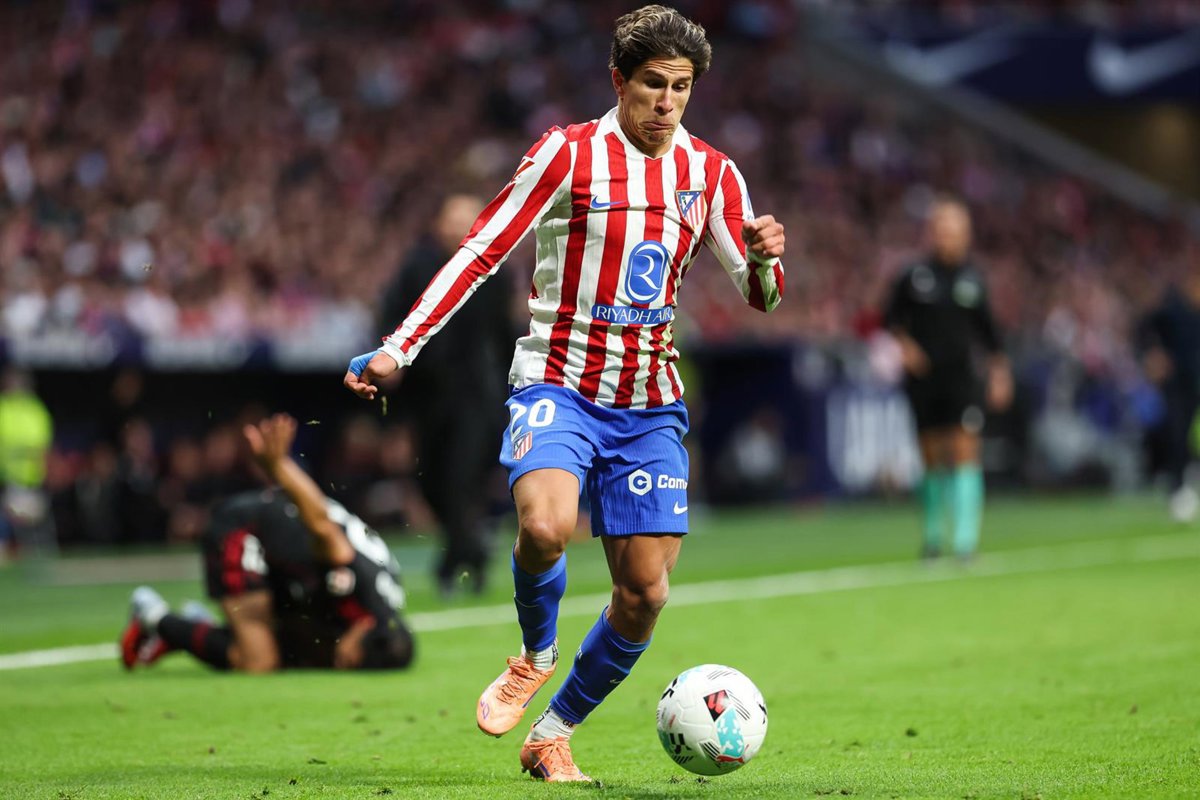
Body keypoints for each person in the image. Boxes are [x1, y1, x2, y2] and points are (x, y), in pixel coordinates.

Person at [344, 5, 785, 782]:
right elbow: (481, 251)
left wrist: (765, 259)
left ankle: (553, 733)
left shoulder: (713, 174)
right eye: (653, 84)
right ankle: (535, 653)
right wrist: (399, 346)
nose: (667, 102)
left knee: (643, 594)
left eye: (681, 87)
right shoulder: (567, 154)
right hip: (558, 382)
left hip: (648, 403)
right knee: (546, 526)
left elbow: (762, 297)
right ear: (619, 80)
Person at [119, 414, 414, 673]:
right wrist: (279, 466)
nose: (347, 662)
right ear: (366, 625)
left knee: (305, 652)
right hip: (247, 529)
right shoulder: (361, 583)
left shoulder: (376, 607)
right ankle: (154, 616)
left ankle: (203, 626)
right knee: (259, 660)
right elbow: (322, 524)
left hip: (286, 563)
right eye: (355, 659)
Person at [378, 194, 513, 596]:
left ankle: (456, 562)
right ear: (438, 224)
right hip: (428, 394)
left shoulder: (494, 271)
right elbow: (392, 315)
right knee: (431, 483)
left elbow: (504, 334)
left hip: (476, 395)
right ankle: (471, 550)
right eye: (453, 219)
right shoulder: (417, 266)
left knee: (461, 478)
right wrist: (390, 357)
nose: (459, 227)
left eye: (467, 219)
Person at [884, 197, 1012, 561]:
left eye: (954, 231)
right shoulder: (913, 276)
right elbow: (890, 320)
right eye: (942, 230)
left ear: (965, 235)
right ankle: (933, 539)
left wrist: (1000, 374)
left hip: (962, 378)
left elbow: (990, 335)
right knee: (931, 456)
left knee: (965, 450)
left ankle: (966, 543)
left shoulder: (974, 279)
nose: (948, 237)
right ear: (932, 233)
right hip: (924, 380)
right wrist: (907, 348)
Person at [1139, 268, 1200, 522]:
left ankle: (1185, 481)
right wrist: (1153, 353)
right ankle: (1177, 487)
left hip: (1195, 383)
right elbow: (1145, 328)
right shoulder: (1173, 311)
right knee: (1177, 432)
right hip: (1177, 384)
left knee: (1189, 435)